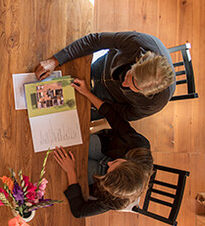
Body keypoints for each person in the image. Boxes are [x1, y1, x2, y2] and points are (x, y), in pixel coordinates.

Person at [53, 78, 154, 218]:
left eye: (109, 168)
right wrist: (87, 93)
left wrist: (71, 172)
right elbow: (114, 117)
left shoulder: (116, 196)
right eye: (115, 162)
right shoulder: (138, 145)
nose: (108, 163)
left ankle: (92, 172)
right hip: (105, 146)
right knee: (67, 145)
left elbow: (79, 211)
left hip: (104, 177)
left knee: (61, 165)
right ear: (129, 162)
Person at [35, 31, 176, 121]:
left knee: (56, 119)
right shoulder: (137, 42)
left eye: (132, 88)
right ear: (138, 60)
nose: (124, 84)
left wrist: (93, 100)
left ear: (146, 94)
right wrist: (55, 60)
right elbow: (95, 40)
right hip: (100, 67)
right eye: (128, 76)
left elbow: (123, 115)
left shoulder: (154, 103)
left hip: (104, 102)